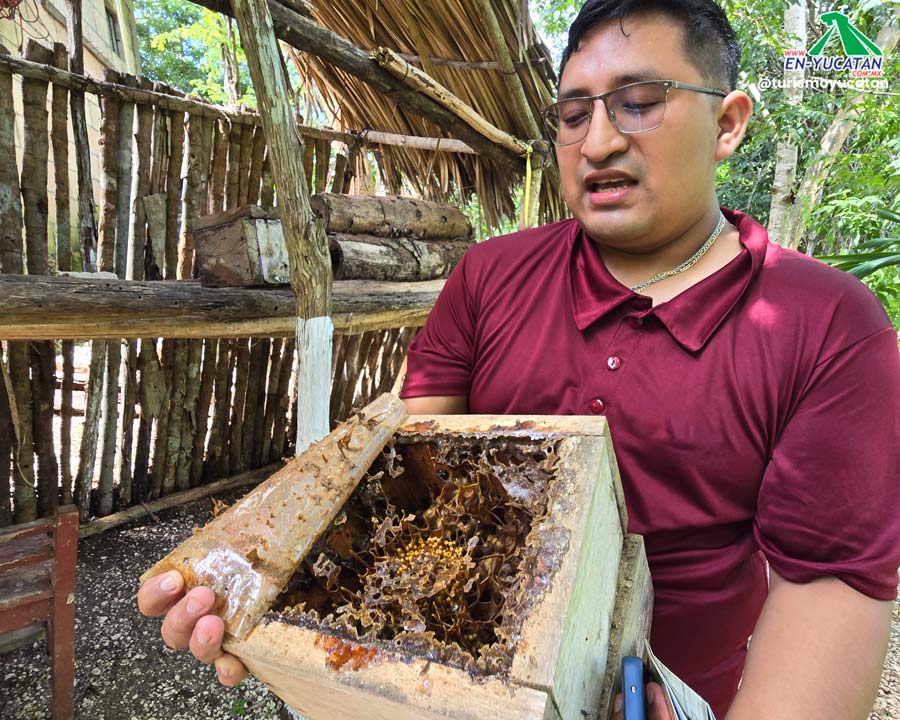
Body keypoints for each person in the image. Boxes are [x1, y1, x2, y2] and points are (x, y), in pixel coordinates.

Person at [139, 1, 900, 718]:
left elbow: (830, 587)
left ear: (728, 122)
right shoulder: (490, 274)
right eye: (574, 114)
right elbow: (405, 459)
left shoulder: (828, 323)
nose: (597, 141)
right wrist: (266, 573)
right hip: (464, 675)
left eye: (639, 101)